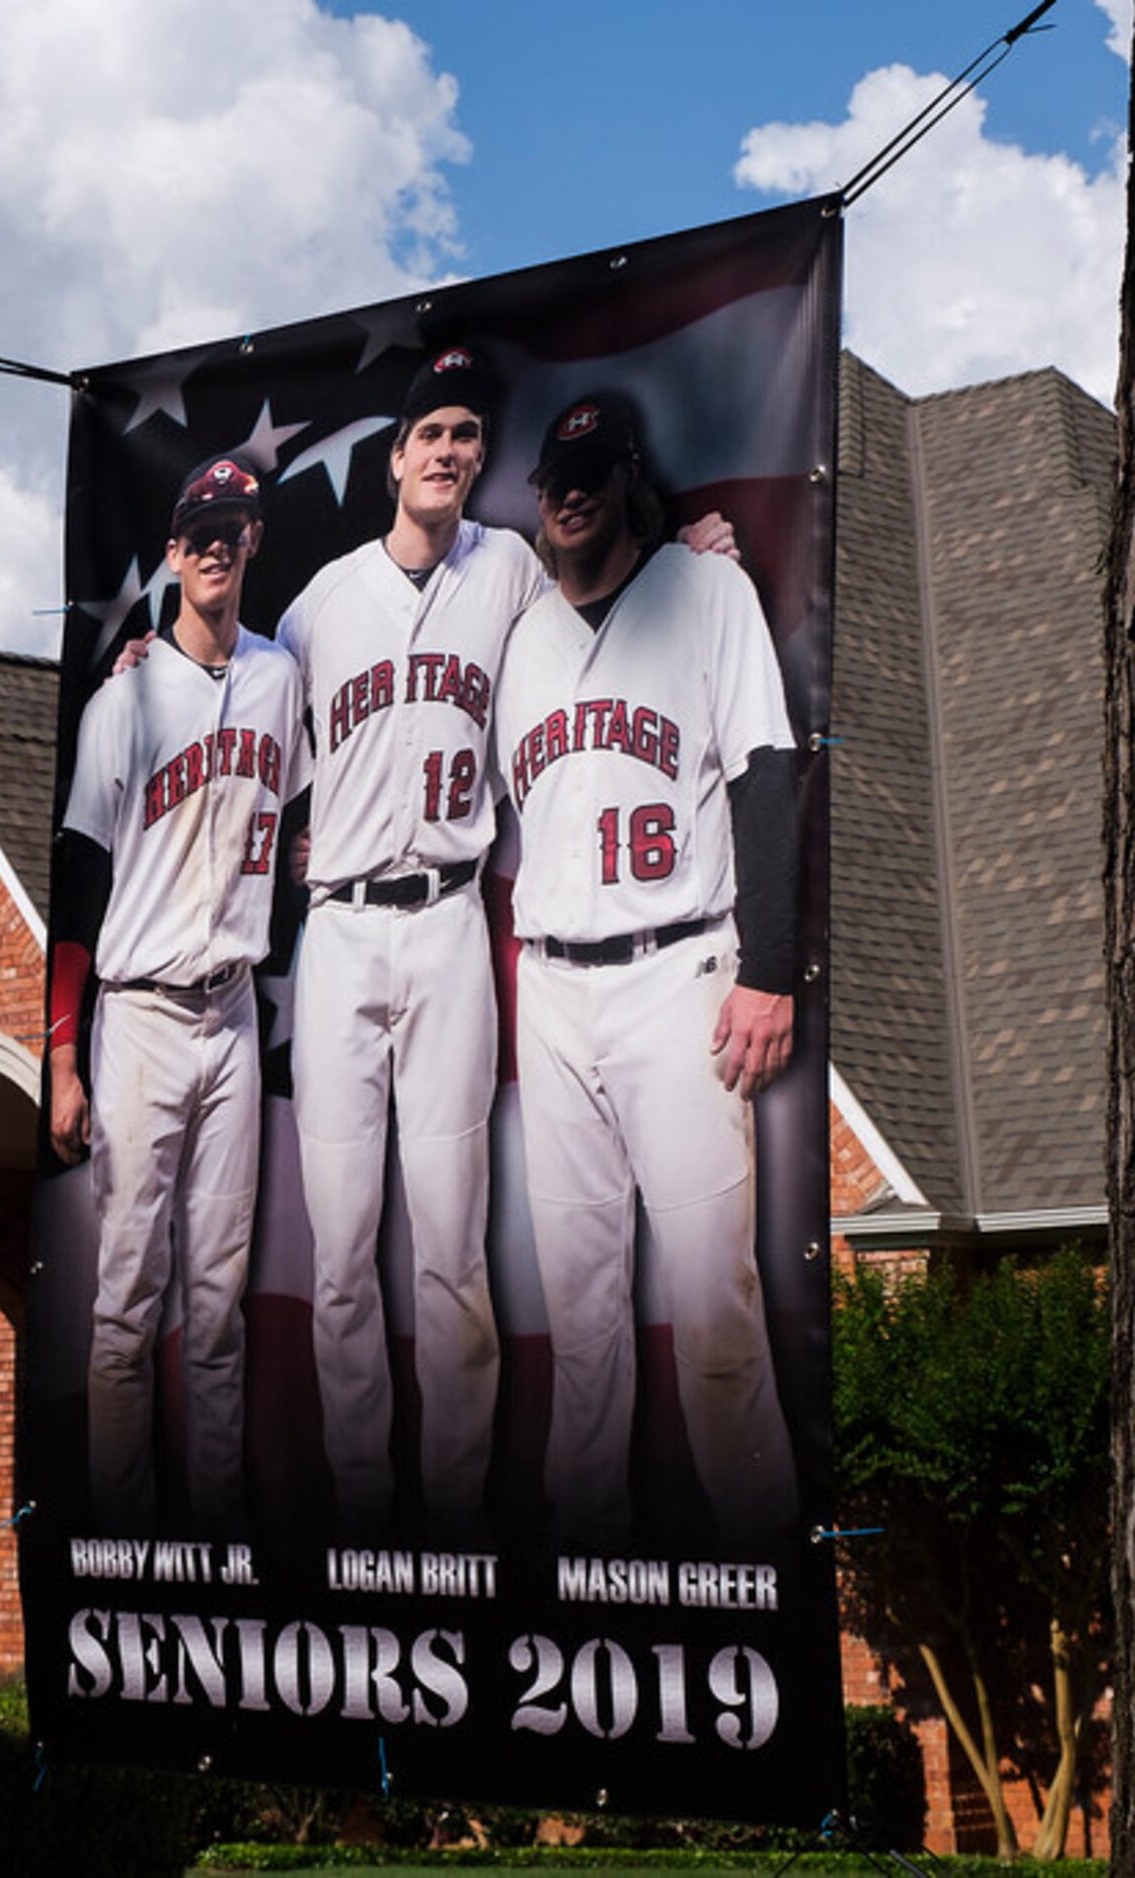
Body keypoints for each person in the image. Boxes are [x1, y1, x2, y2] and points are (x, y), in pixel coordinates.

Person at [494, 389, 802, 1552]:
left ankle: (758, 1560)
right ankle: (587, 1573)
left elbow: (765, 772)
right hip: (552, 989)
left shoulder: (703, 588)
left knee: (713, 1309)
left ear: (627, 475)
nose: (568, 491)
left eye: (590, 469)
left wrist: (769, 968)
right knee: (579, 1319)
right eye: (551, 475)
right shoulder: (519, 636)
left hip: (678, 974)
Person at [274, 346, 534, 1545]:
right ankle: (363, 1512)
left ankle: (457, 1509)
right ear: (393, 460)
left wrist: (689, 560)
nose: (447, 451)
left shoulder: (513, 572)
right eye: (429, 431)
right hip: (336, 931)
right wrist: (143, 662)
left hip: (445, 920)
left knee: (449, 1244)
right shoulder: (319, 601)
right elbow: (236, 713)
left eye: (465, 433)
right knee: (338, 1252)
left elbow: (607, 627)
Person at [48, 455, 306, 1539]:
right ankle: (124, 1538)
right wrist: (59, 1057)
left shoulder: (279, 677)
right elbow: (77, 869)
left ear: (252, 542)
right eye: (196, 530)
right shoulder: (128, 691)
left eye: (230, 527)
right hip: (142, 1013)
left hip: (233, 1011)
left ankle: (213, 1538)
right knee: (123, 1304)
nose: (213, 545)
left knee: (218, 1305)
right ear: (171, 553)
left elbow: (291, 826)